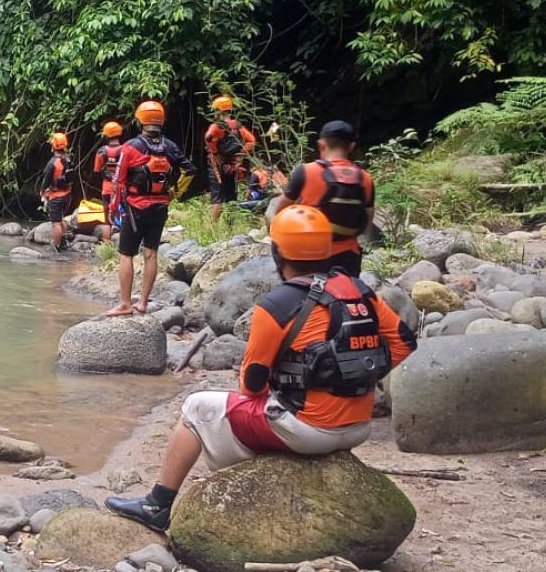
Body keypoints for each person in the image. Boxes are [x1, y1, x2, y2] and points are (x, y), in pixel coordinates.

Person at [106, 205, 417, 531]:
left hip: (307, 430)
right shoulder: (360, 291)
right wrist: (357, 378)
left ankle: (157, 504)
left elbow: (251, 386)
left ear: (277, 252)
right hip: (358, 425)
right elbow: (404, 343)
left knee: (196, 407)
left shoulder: (276, 305)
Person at [107, 101, 196, 317]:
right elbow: (191, 170)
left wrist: (113, 206)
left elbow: (119, 180)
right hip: (160, 207)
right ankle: (144, 302)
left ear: (140, 120)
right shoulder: (170, 147)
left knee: (126, 255)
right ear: (161, 121)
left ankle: (125, 303)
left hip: (136, 208)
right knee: (151, 253)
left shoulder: (130, 147)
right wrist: (175, 193)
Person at [274, 120, 374, 276]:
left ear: (321, 145)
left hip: (307, 256)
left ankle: (289, 284)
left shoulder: (306, 171)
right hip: (348, 257)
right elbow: (367, 221)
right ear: (351, 147)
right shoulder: (366, 178)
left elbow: (280, 212)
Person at [204, 95, 257, 221]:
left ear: (218, 110)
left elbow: (208, 137)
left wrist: (215, 153)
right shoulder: (237, 126)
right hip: (232, 165)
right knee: (231, 196)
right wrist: (240, 156)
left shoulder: (216, 126)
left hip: (217, 165)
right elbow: (252, 141)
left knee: (218, 197)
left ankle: (214, 226)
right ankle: (230, 224)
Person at [39, 132, 74, 252]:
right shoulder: (68, 159)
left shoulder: (52, 163)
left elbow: (47, 179)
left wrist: (42, 191)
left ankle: (57, 245)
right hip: (67, 194)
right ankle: (64, 242)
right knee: (61, 218)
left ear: (53, 146)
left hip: (56, 195)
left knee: (56, 222)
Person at [93, 121, 124, 243]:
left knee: (106, 219)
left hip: (106, 188)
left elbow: (96, 171)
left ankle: (107, 244)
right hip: (121, 188)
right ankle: (123, 243)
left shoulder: (101, 151)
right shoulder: (125, 150)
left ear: (106, 135)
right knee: (123, 214)